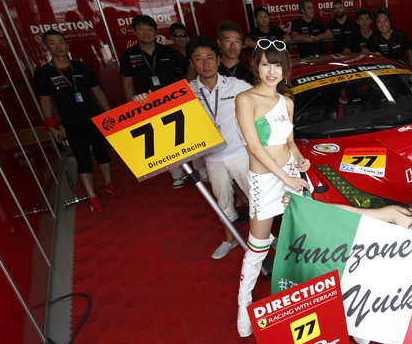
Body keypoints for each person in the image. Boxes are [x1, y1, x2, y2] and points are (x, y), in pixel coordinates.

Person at [134, 36, 252, 260]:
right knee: (223, 203)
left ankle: (265, 237)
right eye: (199, 59)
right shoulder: (183, 93)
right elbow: (156, 115)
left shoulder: (236, 85)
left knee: (256, 198)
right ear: (191, 63)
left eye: (210, 58)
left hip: (240, 154)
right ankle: (230, 240)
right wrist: (143, 102)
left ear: (218, 60)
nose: (205, 63)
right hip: (212, 158)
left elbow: (263, 98)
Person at [330, 165, 412, 344]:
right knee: (363, 338)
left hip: (411, 287)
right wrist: (308, 205)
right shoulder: (400, 214)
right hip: (382, 280)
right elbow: (353, 212)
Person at [235, 39, 310, 337]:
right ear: (255, 65)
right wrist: (285, 178)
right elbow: (254, 147)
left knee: (304, 239)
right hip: (265, 180)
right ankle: (244, 305)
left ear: (285, 68)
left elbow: (289, 141)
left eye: (277, 65)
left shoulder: (287, 101)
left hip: (290, 172)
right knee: (258, 245)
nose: (271, 71)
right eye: (265, 63)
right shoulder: (246, 99)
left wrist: (300, 160)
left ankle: (317, 297)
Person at [35, 30, 122, 214]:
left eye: (61, 42)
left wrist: (109, 115)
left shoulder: (82, 68)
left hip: (94, 118)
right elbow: (45, 101)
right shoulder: (43, 73)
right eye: (53, 43)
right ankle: (92, 196)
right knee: (83, 159)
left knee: (102, 153)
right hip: (72, 123)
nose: (58, 46)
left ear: (67, 45)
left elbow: (98, 92)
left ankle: (108, 184)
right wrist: (51, 127)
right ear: (47, 46)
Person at [120, 14, 204, 189]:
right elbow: (127, 82)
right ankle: (177, 175)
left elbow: (190, 66)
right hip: (147, 105)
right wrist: (132, 109)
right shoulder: (128, 55)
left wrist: (188, 87)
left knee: (188, 136)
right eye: (141, 29)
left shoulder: (168, 52)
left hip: (173, 101)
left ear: (156, 32)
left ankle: (201, 171)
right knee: (164, 142)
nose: (146, 33)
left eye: (150, 29)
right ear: (134, 31)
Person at [217, 21, 256, 86]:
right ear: (219, 43)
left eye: (236, 41)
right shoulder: (212, 70)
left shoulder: (250, 71)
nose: (233, 46)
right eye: (228, 41)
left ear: (241, 44)